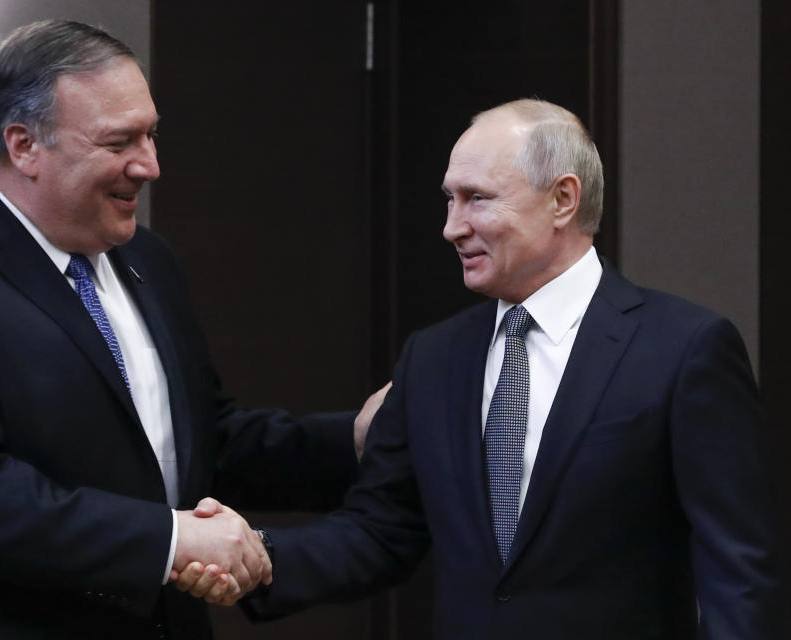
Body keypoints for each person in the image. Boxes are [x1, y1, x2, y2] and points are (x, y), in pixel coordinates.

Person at [0, 19, 386, 640]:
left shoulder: (146, 259)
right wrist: (175, 539)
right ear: (23, 146)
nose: (149, 165)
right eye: (119, 142)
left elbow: (200, 443)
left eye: (151, 135)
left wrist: (356, 443)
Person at [176, 99, 781, 638]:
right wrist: (258, 556)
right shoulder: (436, 357)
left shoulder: (683, 349)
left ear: (563, 200)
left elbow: (738, 569)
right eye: (449, 198)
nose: (451, 227)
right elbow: (381, 530)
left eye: (477, 199)